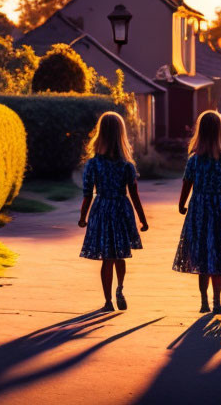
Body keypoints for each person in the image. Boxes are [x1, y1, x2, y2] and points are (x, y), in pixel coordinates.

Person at [173, 110, 221, 315]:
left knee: (202, 256)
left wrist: (181, 204)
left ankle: (204, 302)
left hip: (199, 209)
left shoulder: (194, 160)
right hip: (219, 210)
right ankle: (217, 302)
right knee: (218, 255)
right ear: (220, 132)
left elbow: (187, 184)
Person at [78, 111, 148, 312]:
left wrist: (83, 217)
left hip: (102, 209)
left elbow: (87, 194)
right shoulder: (126, 165)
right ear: (121, 135)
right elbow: (134, 194)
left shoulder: (93, 164)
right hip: (121, 210)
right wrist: (142, 220)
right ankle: (120, 288)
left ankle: (108, 301)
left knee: (106, 258)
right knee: (120, 255)